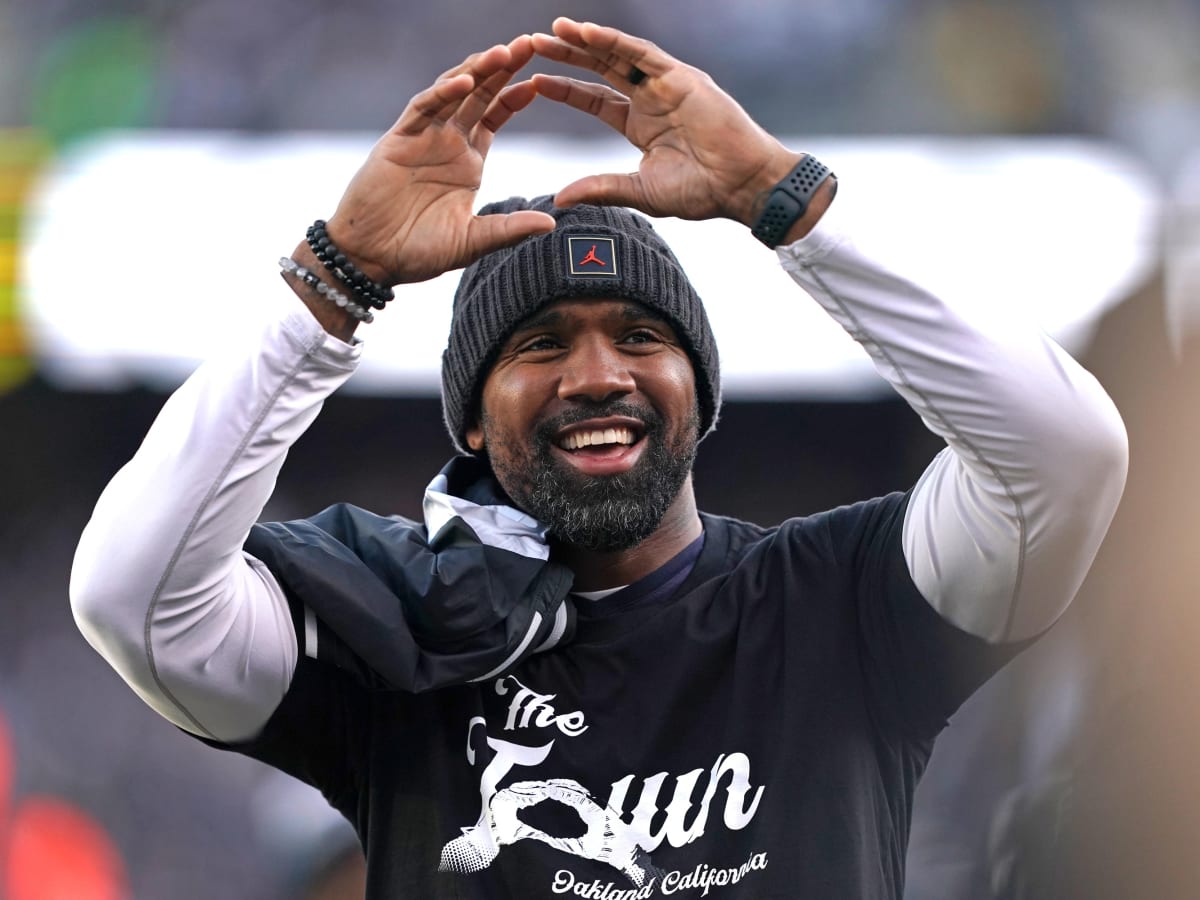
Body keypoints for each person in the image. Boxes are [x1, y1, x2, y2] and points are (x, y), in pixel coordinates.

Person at [69, 18, 1128, 900]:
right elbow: (134, 598)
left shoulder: (843, 605)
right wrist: (331, 284)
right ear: (473, 423)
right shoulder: (394, 636)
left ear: (699, 394)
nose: (595, 375)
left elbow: (1061, 455)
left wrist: (782, 197)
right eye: (539, 346)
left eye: (639, 335)